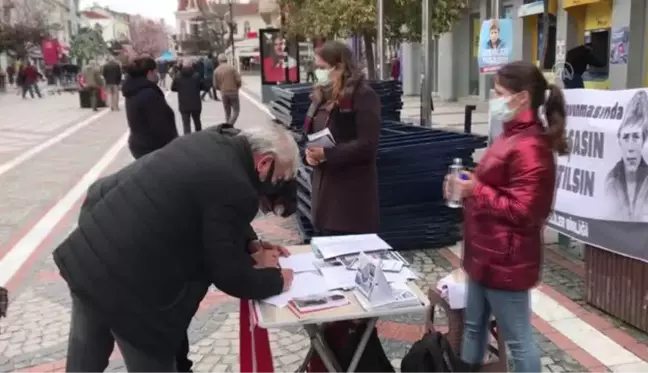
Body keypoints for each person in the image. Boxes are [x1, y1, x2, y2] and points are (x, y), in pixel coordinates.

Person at [53, 124, 300, 373]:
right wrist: (277, 280)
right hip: (132, 291)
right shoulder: (237, 186)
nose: (278, 183)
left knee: (84, 362)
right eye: (281, 176)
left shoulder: (215, 140)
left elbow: (213, 210)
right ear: (265, 163)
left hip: (90, 257)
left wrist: (251, 243)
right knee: (151, 361)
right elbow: (228, 274)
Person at [444, 60, 568, 373]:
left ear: (522, 97)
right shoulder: (509, 135)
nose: (493, 99)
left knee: (518, 341)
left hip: (507, 261)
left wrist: (476, 190)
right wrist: (465, 185)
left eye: (499, 92)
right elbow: (495, 184)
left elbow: (528, 211)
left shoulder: (531, 146)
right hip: (483, 254)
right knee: (473, 327)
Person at [304, 40, 381, 236]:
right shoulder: (322, 95)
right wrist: (310, 153)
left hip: (349, 199)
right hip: (324, 191)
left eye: (322, 67)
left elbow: (367, 144)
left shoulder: (362, 96)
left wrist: (328, 154)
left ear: (338, 66)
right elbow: (311, 131)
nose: (318, 72)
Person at [122, 55, 178, 159]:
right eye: (155, 71)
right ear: (150, 73)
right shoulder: (149, 94)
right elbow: (160, 125)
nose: (157, 74)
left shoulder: (133, 90)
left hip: (139, 143)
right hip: (153, 148)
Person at [605, 90, 648, 221]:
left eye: (636, 137)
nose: (630, 148)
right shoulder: (610, 180)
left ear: (644, 140)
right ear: (619, 140)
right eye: (626, 137)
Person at [171, 62, 205, 134]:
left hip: (183, 104)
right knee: (197, 122)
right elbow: (203, 86)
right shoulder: (197, 76)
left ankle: (187, 139)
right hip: (196, 103)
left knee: (186, 124)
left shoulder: (178, 76)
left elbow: (173, 88)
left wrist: (181, 89)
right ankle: (199, 137)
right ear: (192, 66)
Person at [214, 54, 242, 125]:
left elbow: (215, 85)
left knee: (227, 111)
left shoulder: (216, 71)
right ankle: (229, 125)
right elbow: (238, 80)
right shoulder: (232, 68)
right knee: (236, 110)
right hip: (233, 91)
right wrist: (237, 87)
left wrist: (221, 88)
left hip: (223, 92)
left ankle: (227, 126)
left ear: (219, 61)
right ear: (226, 60)